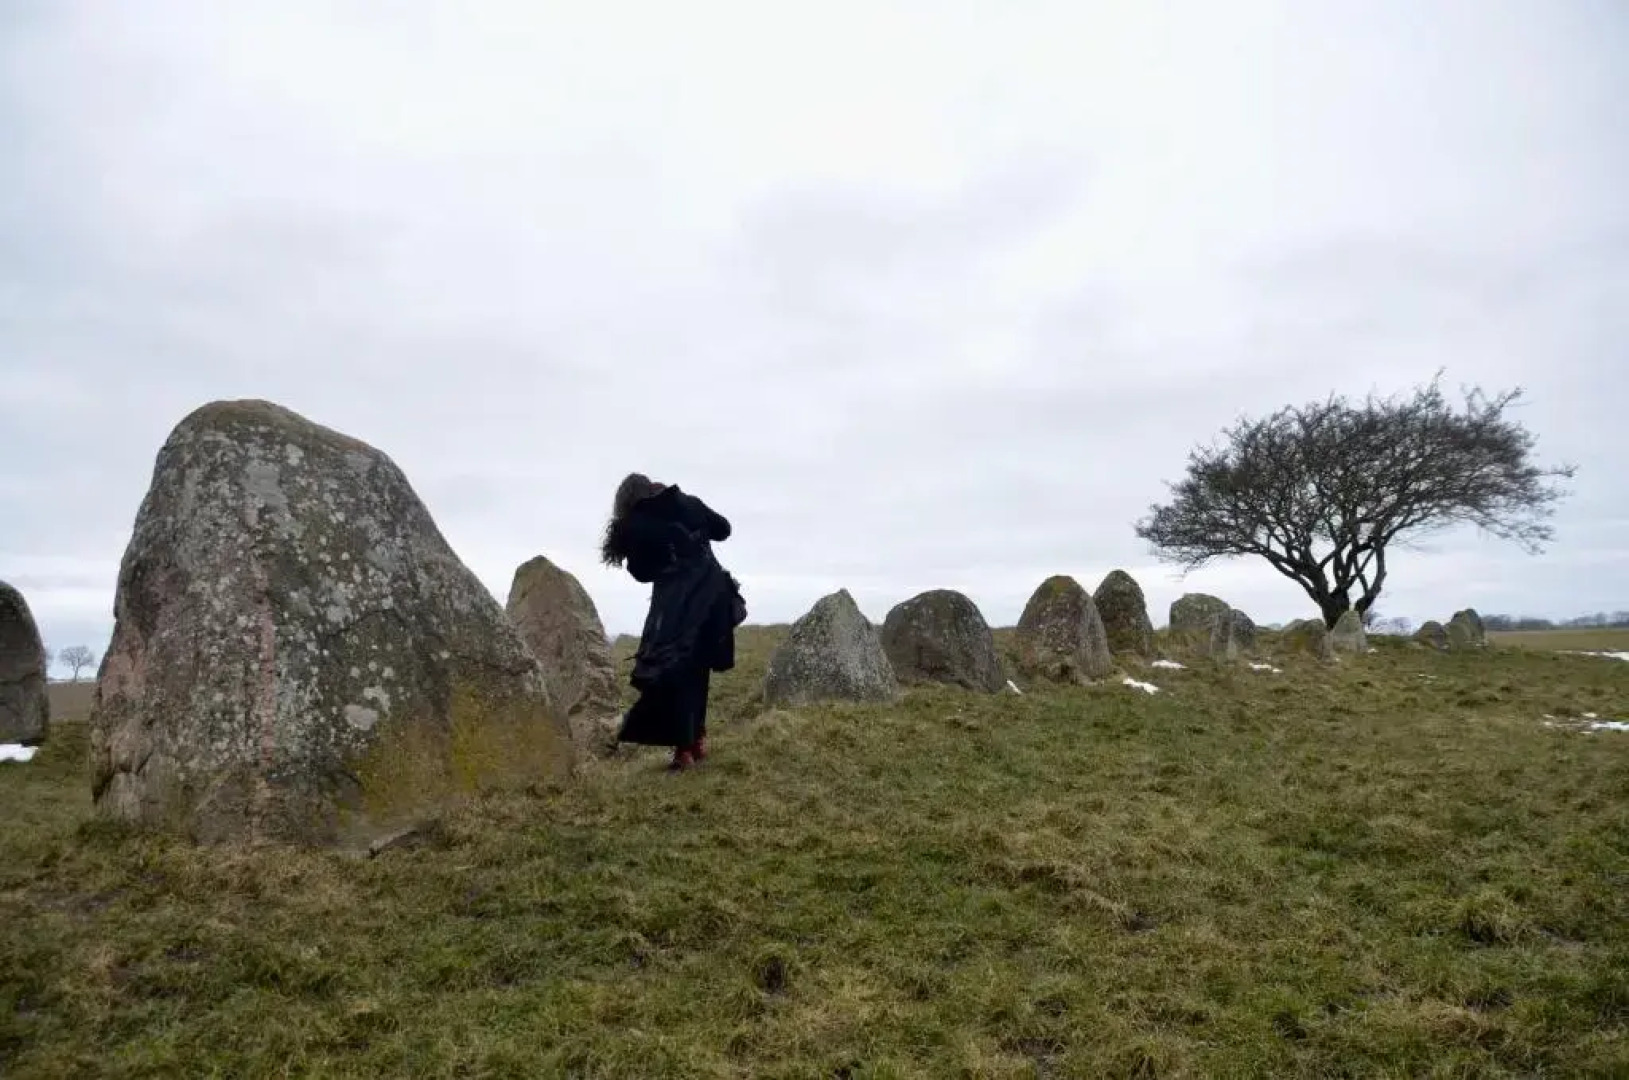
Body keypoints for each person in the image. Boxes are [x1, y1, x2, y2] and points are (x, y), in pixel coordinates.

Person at [599, 472, 745, 770]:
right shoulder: (688, 504)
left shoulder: (638, 522)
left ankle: (684, 750)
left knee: (674, 673)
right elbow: (724, 529)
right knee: (698, 668)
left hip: (677, 606)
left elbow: (641, 572)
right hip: (713, 598)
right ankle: (696, 740)